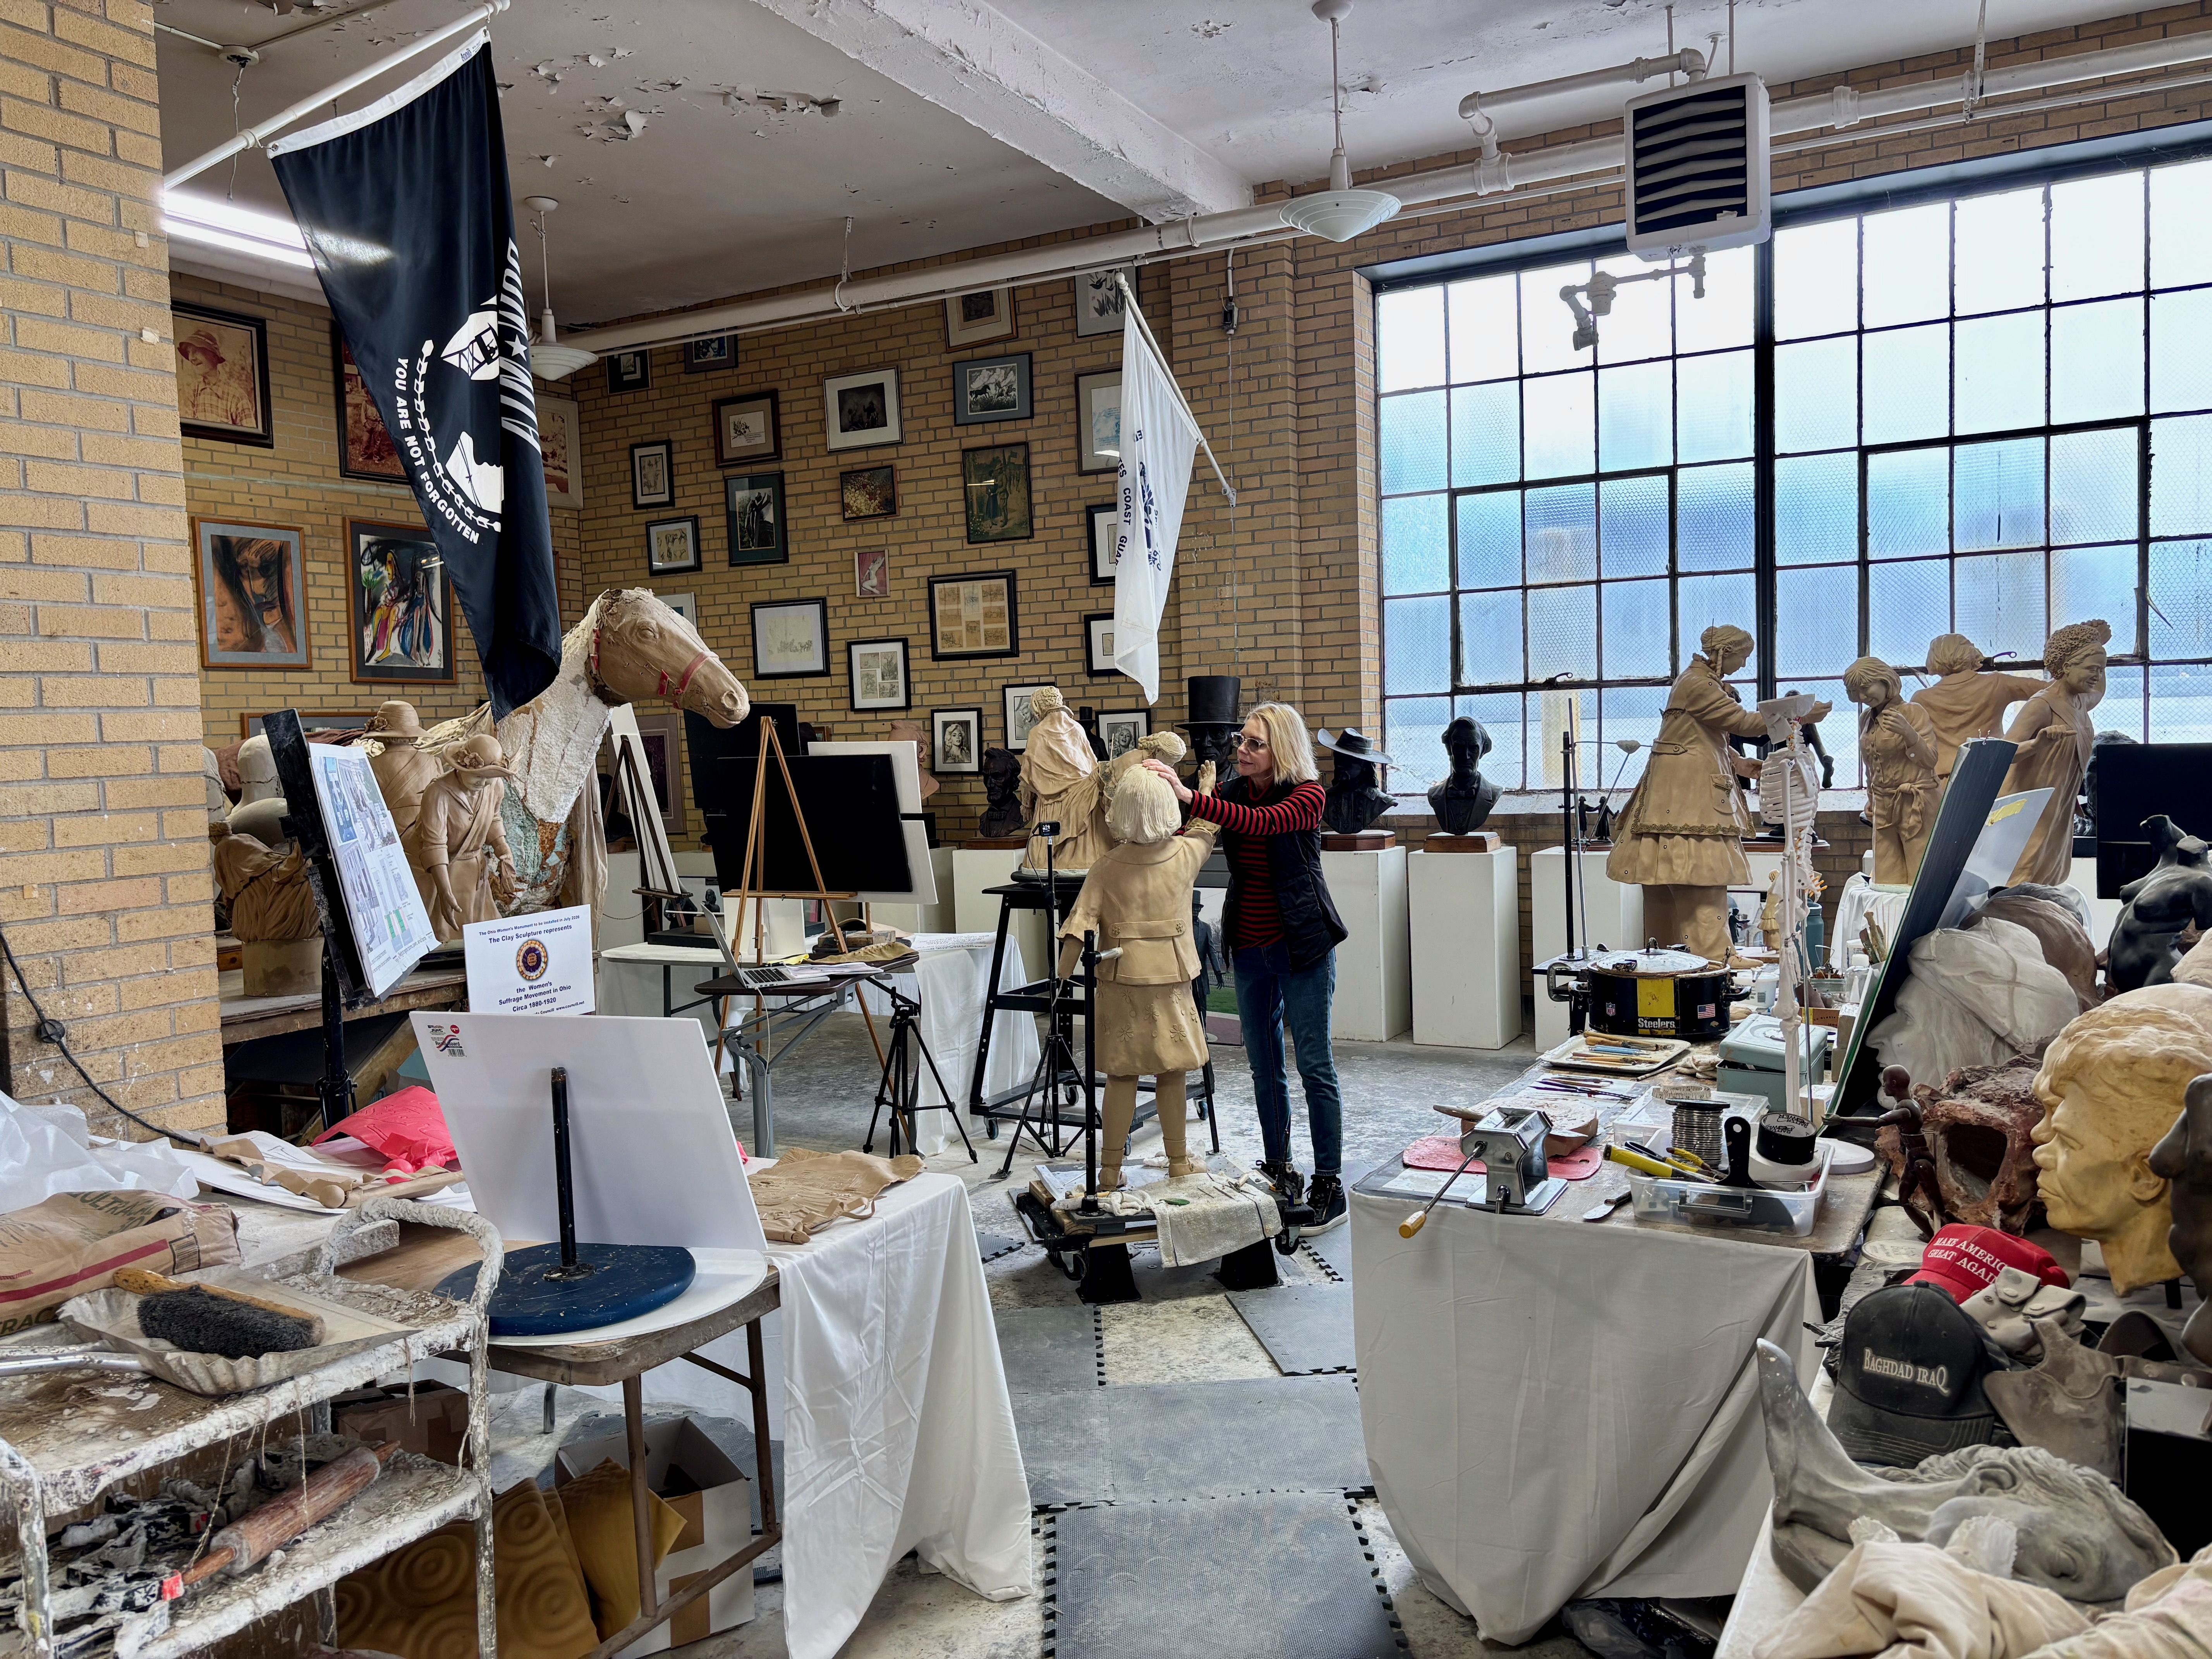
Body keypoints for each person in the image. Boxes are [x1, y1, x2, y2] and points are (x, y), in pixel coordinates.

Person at [1146, 702, 1350, 1229]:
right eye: (1243, 740)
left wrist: (1193, 796)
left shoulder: (1308, 795)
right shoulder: (1234, 792)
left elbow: (1262, 824)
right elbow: (1197, 826)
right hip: (1252, 946)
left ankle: (1329, 1180)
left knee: (1315, 1066)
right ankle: (1281, 1168)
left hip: (1304, 945)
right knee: (1264, 1067)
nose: (1243, 750)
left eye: (1255, 743)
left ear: (1281, 748)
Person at [1055, 765, 1219, 1188]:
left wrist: (1061, 975)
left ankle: (1110, 1171)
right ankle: (1178, 1161)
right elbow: (1206, 826)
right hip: (1171, 977)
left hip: (1121, 979)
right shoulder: (1185, 856)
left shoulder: (1106, 866)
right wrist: (1202, 789)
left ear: (1121, 809)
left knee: (1122, 1075)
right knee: (1172, 1072)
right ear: (1167, 807)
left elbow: (1079, 924)